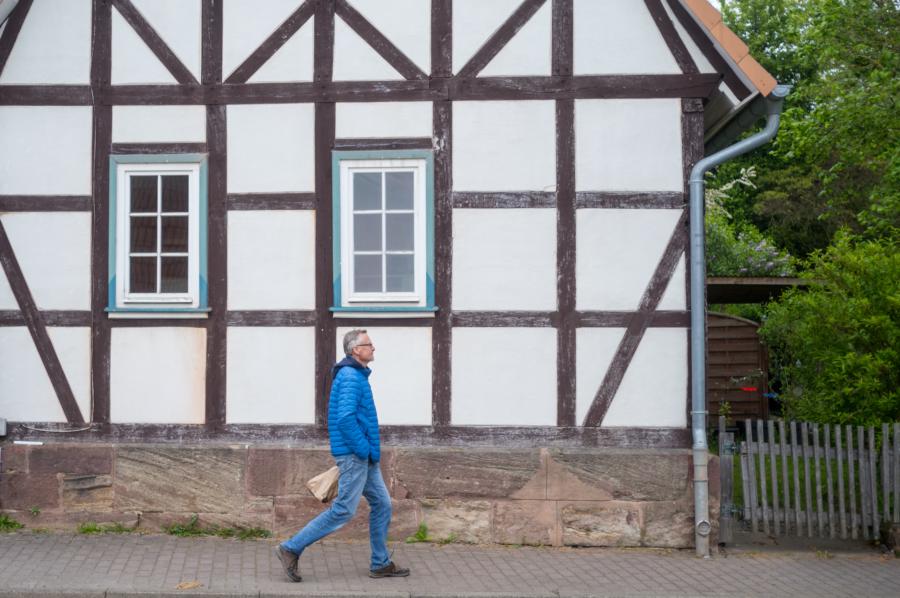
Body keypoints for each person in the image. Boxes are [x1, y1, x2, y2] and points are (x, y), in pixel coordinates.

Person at [275, 329, 410, 582]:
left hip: (364, 456)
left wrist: (367, 452)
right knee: (343, 510)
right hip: (355, 455)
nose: (373, 348)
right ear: (356, 350)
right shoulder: (350, 376)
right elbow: (345, 419)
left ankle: (380, 563)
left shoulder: (357, 375)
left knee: (382, 504)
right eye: (368, 344)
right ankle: (291, 548)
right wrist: (362, 450)